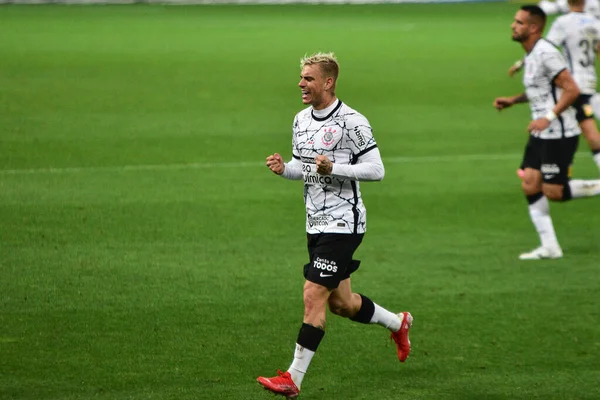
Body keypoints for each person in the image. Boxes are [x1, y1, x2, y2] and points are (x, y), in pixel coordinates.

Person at [257, 52, 413, 398]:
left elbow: (377, 170)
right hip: (315, 221)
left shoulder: (352, 122)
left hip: (344, 221)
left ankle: (293, 378)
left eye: (308, 78)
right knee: (342, 303)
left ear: (328, 82)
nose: (301, 83)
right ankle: (398, 322)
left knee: (313, 294)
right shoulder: (300, 120)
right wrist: (285, 169)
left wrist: (335, 168)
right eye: (301, 77)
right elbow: (304, 167)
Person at [494, 5, 600, 260]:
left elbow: (571, 89)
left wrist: (548, 117)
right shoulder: (531, 53)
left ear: (533, 28)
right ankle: (550, 246)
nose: (513, 25)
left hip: (559, 132)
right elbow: (538, 90)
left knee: (554, 191)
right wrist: (514, 100)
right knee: (530, 185)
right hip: (541, 132)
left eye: (518, 22)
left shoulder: (545, 53)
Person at [509, 0, 600, 175]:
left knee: (580, 132)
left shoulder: (563, 23)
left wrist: (520, 63)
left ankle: (547, 173)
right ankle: (536, 170)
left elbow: (543, 47)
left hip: (570, 84)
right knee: (587, 132)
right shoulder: (596, 22)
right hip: (589, 82)